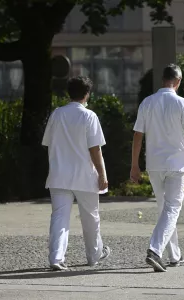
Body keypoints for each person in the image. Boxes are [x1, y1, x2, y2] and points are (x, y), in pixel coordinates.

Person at [130, 64, 184, 272]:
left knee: (164, 209)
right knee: (172, 208)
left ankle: (174, 255)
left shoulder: (147, 103)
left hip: (154, 165)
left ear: (163, 80)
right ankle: (155, 250)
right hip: (175, 164)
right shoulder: (183, 104)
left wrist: (134, 165)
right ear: (178, 81)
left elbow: (138, 136)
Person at [42, 76, 111, 271]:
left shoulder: (57, 114)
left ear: (68, 93)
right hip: (84, 175)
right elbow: (95, 149)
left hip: (59, 175)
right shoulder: (89, 116)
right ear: (87, 94)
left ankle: (56, 257)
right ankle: (94, 255)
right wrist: (102, 175)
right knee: (90, 217)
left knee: (59, 217)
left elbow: (48, 142)